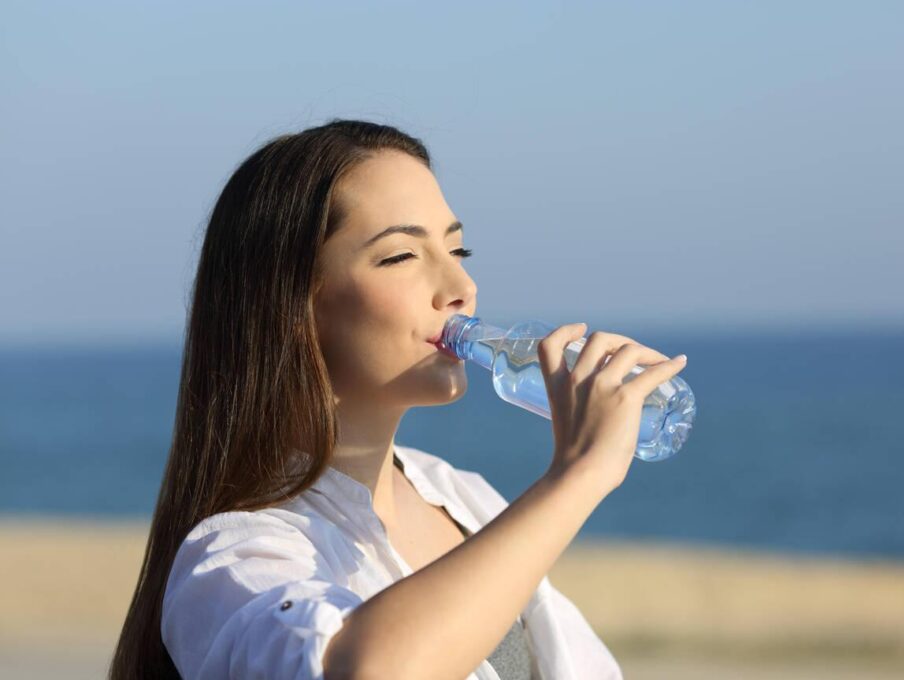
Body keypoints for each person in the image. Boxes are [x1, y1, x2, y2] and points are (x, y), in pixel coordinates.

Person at [108, 119, 688, 680]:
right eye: (401, 256)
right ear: (294, 308)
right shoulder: (233, 559)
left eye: (457, 252)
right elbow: (365, 671)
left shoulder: (462, 498)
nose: (461, 290)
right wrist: (577, 476)